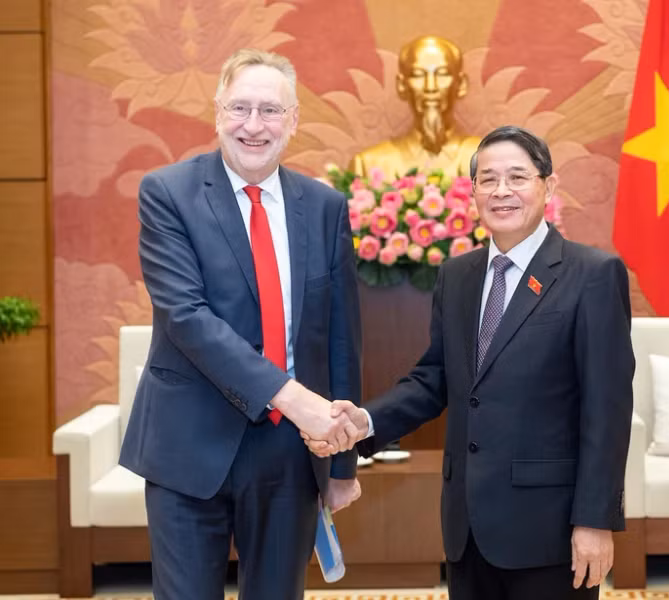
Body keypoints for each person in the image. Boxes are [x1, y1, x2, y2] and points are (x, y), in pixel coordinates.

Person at [309, 126, 635, 599]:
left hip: (551, 531)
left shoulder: (593, 275)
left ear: (549, 186)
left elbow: (607, 412)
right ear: (474, 192)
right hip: (467, 528)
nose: (502, 191)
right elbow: (434, 379)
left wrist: (595, 521)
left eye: (517, 177)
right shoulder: (458, 275)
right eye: (488, 179)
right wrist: (364, 421)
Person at [119, 48, 362, 600]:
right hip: (188, 442)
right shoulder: (168, 194)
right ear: (217, 113)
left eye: (271, 111)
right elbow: (186, 317)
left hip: (290, 453)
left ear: (294, 120)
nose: (254, 126)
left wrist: (342, 462)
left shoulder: (325, 207)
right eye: (240, 108)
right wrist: (296, 399)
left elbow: (341, 337)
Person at [350, 36, 481, 178]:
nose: (430, 87)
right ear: (402, 85)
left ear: (461, 84)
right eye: (418, 75)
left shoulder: (493, 160)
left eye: (442, 74)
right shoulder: (369, 165)